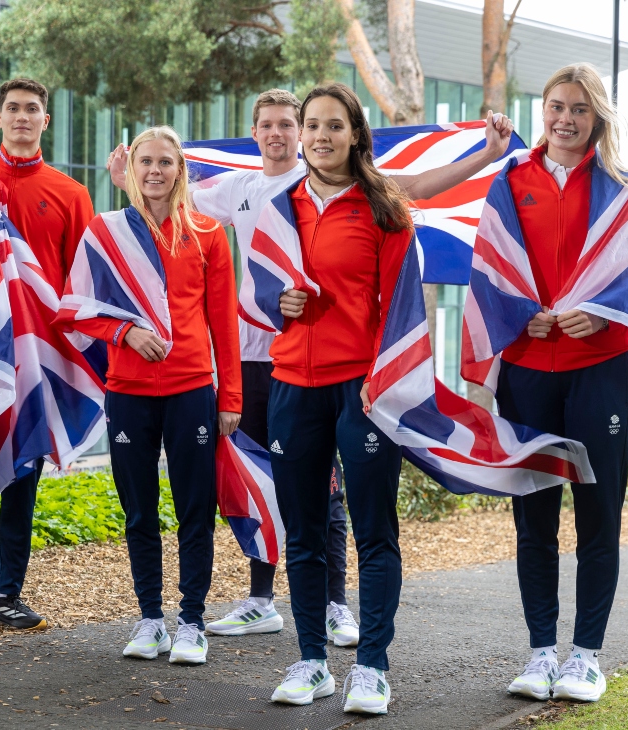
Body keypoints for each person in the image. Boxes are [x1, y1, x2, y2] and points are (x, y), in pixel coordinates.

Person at [107, 91, 515, 647]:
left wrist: (485, 156)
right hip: (258, 358)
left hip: (329, 360)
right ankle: (260, 600)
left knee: (329, 487)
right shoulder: (242, 190)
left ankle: (335, 605)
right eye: (267, 125)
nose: (278, 133)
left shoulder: (332, 185)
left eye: (287, 124)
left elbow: (413, 191)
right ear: (255, 133)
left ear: (302, 132)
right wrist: (130, 176)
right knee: (262, 479)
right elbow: (166, 194)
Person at [258, 82, 413, 714]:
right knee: (304, 531)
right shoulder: (278, 206)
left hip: (364, 388)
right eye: (312, 125)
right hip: (292, 386)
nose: (321, 136)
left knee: (374, 531)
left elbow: (401, 305)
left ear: (355, 134)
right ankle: (312, 661)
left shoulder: (385, 210)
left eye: (333, 126)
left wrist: (381, 375)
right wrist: (280, 304)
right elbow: (259, 292)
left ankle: (371, 667)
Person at [61, 126, 242, 665]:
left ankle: (191, 622)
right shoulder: (106, 231)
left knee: (194, 508)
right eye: (146, 162)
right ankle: (150, 619)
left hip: (192, 390)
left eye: (166, 162)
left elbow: (223, 322)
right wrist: (123, 333)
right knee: (138, 509)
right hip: (129, 390)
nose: (156, 171)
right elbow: (74, 307)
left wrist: (230, 395)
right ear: (131, 169)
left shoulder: (208, 232)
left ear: (180, 169)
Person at [493, 64, 628, 705]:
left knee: (597, 518)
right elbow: (488, 269)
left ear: (597, 117)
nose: (565, 119)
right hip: (527, 371)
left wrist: (602, 312)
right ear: (542, 110)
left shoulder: (623, 190)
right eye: (556, 106)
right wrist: (520, 311)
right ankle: (540, 652)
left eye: (579, 109)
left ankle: (585, 657)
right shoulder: (510, 180)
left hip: (600, 372)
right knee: (533, 521)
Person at [0, 78, 94, 632]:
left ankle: (6, 595)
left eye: (32, 109)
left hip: (38, 356)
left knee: (23, 468)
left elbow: (80, 283)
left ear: (46, 120)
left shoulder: (71, 193)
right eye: (13, 109)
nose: (22, 117)